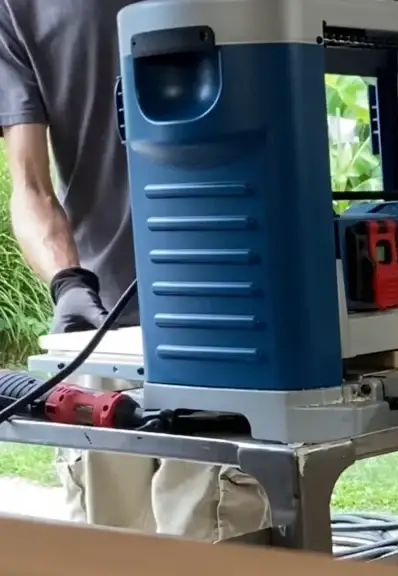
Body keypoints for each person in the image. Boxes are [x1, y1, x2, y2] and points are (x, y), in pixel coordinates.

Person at [0, 0, 269, 539]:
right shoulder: (16, 7)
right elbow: (28, 186)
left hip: (229, 304)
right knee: (106, 539)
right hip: (101, 323)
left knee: (209, 529)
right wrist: (67, 284)